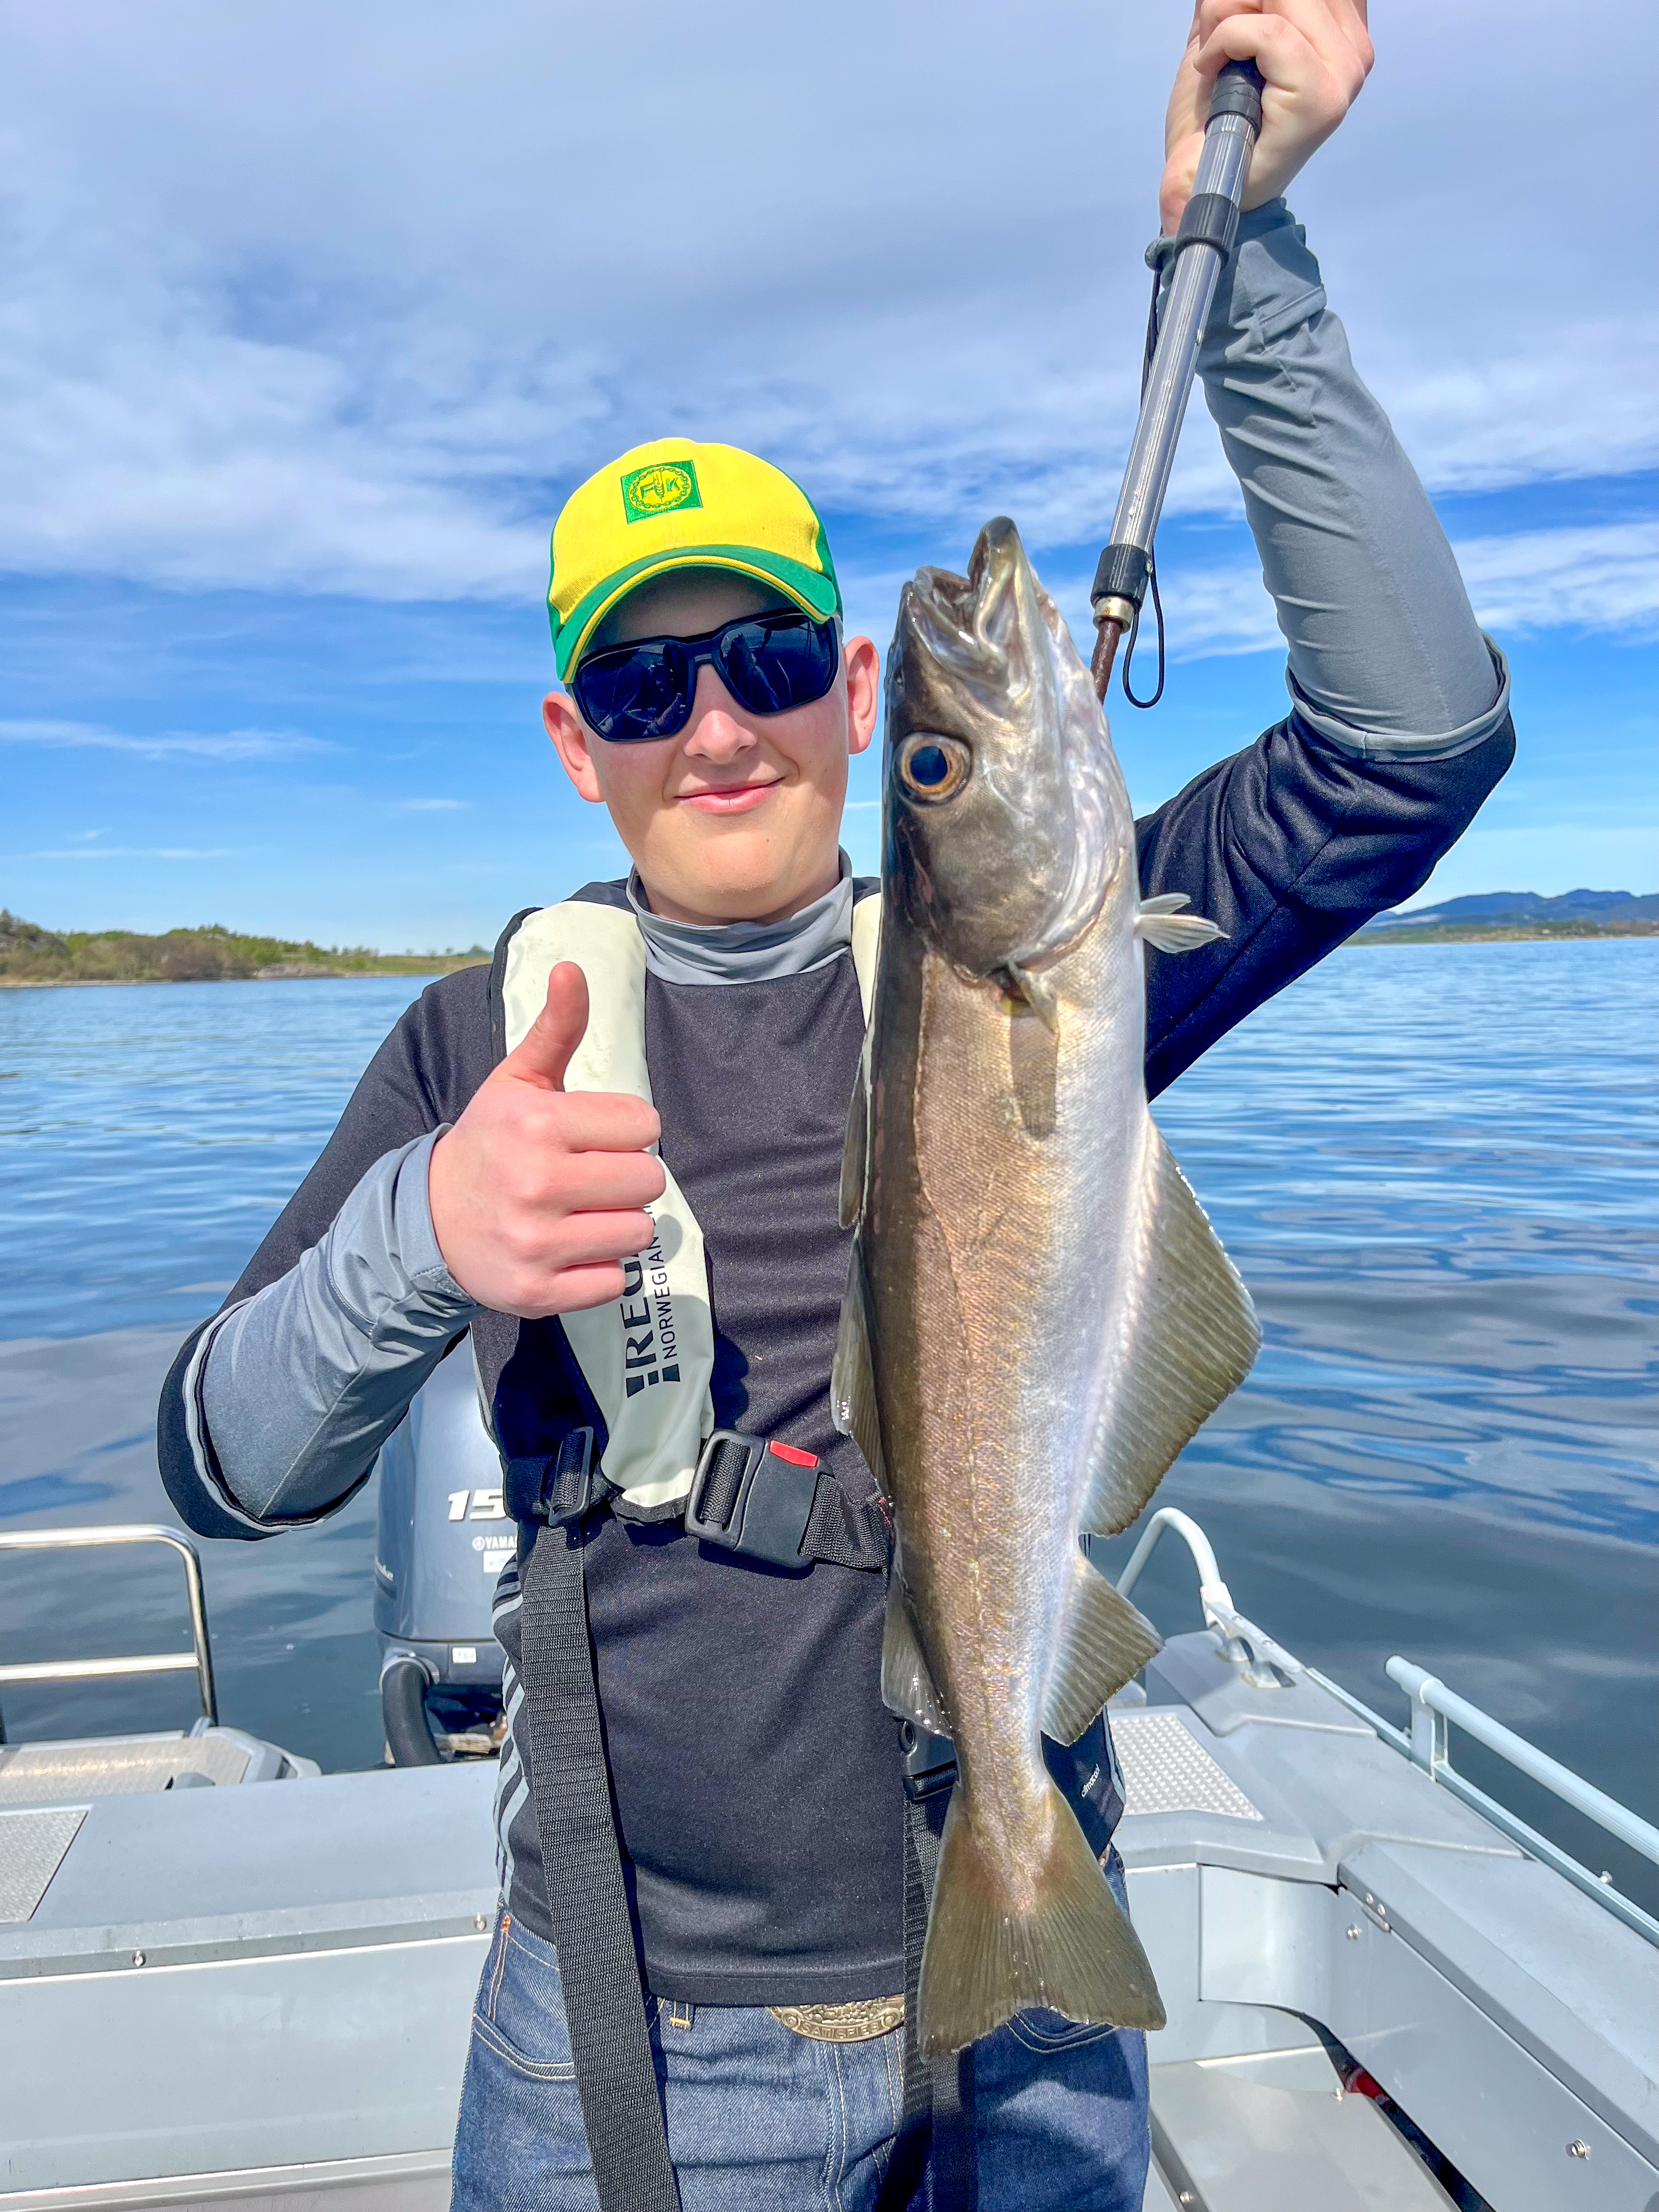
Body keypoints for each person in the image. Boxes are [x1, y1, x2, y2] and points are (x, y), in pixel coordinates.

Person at [159, 3, 1514, 2205]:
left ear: (857, 694)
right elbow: (221, 1465)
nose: (718, 727)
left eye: (776, 662)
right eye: (642, 679)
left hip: (1031, 2008)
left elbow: (1410, 746)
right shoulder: (479, 1038)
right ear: (571, 737)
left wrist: (1239, 259)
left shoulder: (1059, 957)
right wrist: (427, 1238)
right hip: (623, 2034)